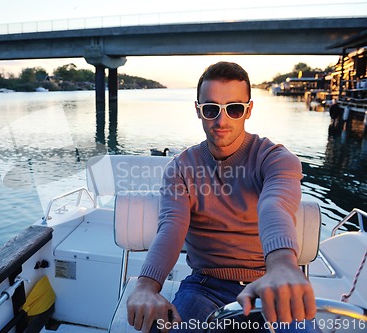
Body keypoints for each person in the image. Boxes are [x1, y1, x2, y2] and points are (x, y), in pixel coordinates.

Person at [126, 62, 317, 332]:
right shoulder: (181, 168)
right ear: (199, 110)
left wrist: (282, 264)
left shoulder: (275, 159)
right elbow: (171, 226)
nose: (221, 120)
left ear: (248, 110)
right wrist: (146, 287)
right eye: (211, 109)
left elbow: (275, 205)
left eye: (234, 109)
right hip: (205, 286)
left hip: (270, 281)